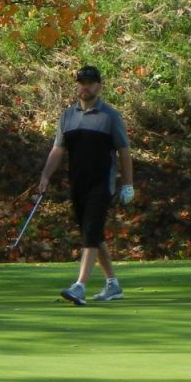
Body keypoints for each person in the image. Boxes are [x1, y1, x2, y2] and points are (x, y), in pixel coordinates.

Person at [38, 64, 134, 306]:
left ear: (99, 86)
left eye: (90, 82)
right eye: (82, 82)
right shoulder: (67, 116)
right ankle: (113, 284)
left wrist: (128, 184)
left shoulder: (110, 116)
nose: (85, 87)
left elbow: (124, 150)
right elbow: (58, 149)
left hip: (102, 183)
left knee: (90, 233)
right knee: (92, 233)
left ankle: (80, 286)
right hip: (77, 183)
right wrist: (46, 176)